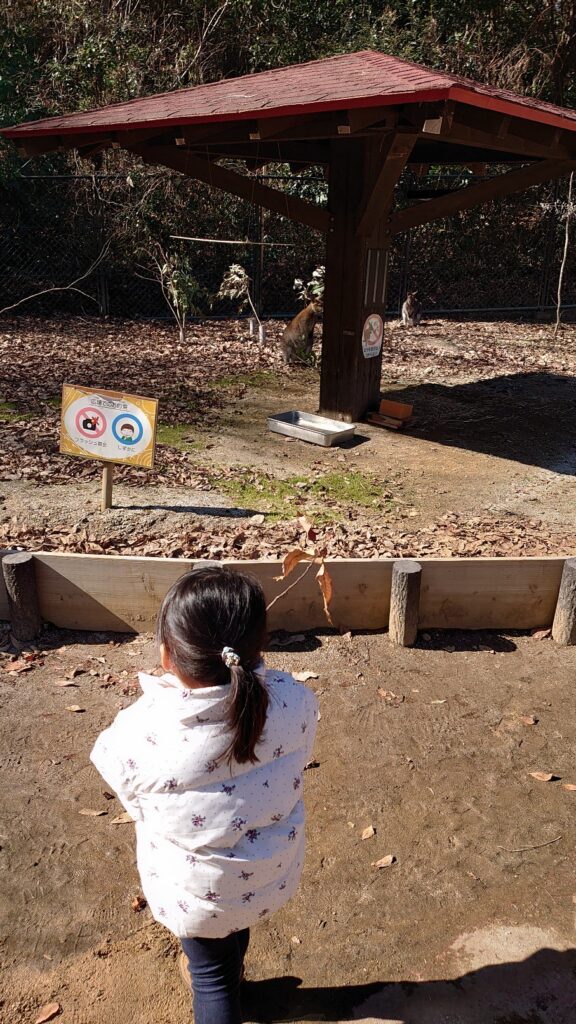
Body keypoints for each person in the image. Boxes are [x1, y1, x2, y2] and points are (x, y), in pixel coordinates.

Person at [90, 566, 318, 1024]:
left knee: (210, 978)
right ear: (261, 644)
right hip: (262, 871)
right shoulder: (296, 701)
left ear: (166, 655)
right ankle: (236, 981)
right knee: (234, 936)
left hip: (196, 890)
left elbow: (128, 791)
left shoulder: (139, 733)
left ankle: (224, 993)